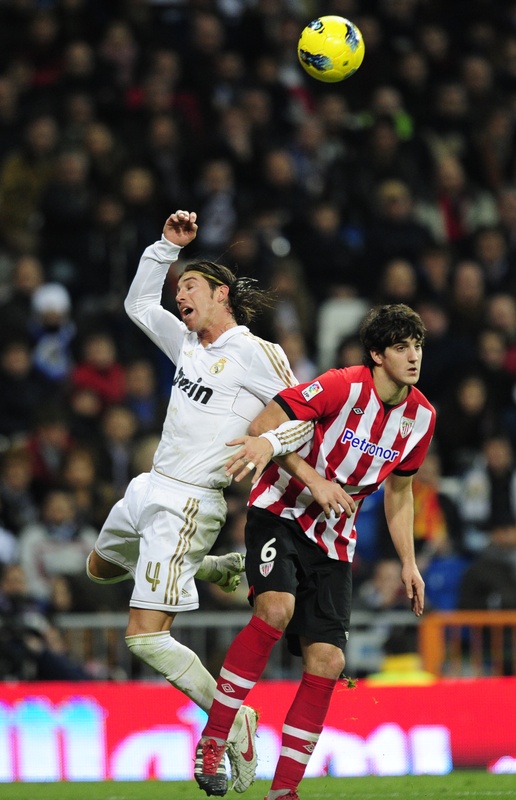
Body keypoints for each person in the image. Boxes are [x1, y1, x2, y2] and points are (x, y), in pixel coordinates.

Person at [86, 209, 298, 793]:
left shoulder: (255, 351)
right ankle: (207, 568)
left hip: (187, 503)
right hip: (147, 487)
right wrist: (163, 249)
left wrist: (268, 439)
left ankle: (234, 722)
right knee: (98, 569)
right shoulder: (185, 342)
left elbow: (306, 413)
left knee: (143, 636)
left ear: (220, 295)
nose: (179, 295)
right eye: (177, 287)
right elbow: (135, 306)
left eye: (190, 286)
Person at [194, 303, 436, 800]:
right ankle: (214, 739)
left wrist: (409, 563)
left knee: (327, 661)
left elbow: (400, 493)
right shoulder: (341, 385)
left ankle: (284, 792)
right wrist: (314, 479)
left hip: (334, 541)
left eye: (417, 346)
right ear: (376, 354)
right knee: (276, 609)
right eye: (400, 347)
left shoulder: (421, 418)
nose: (413, 357)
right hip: (279, 511)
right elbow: (264, 425)